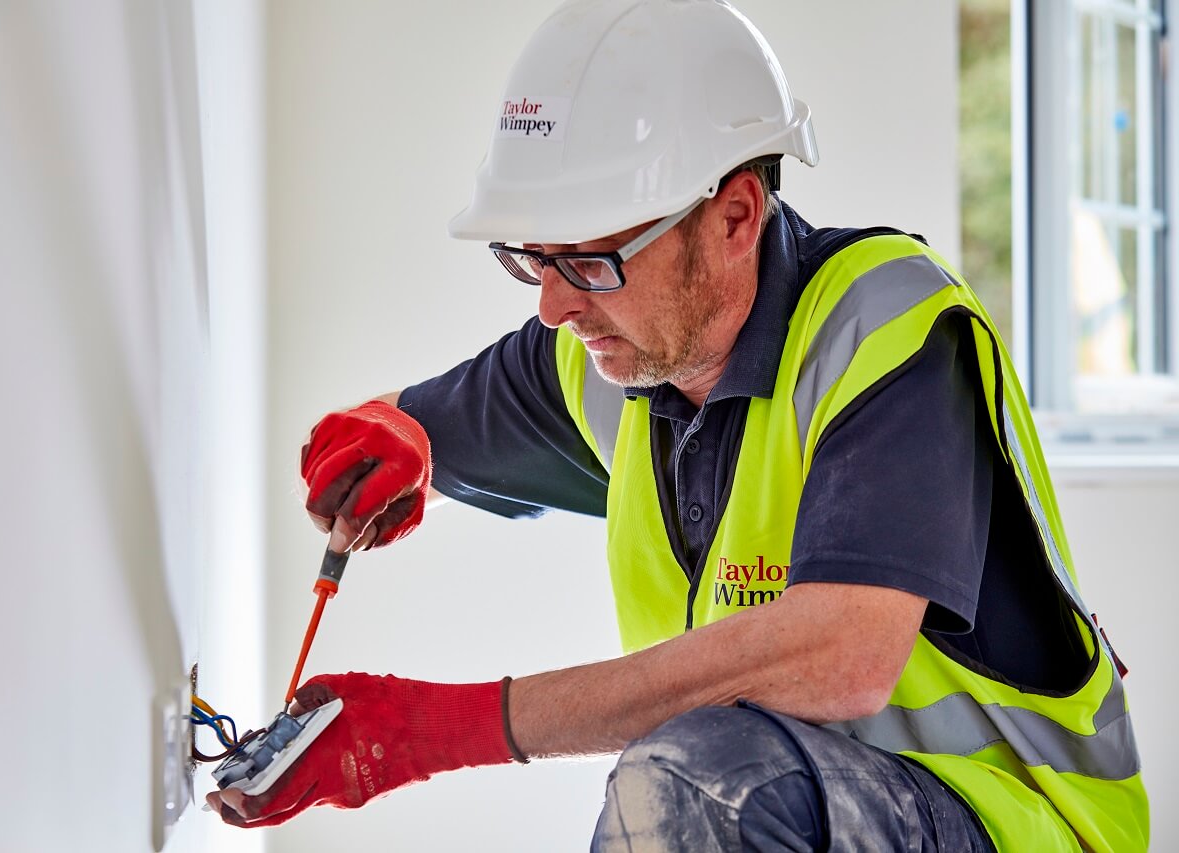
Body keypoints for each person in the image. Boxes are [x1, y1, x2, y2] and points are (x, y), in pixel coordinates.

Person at [207, 0, 1148, 848]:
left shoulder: (885, 327)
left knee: (698, 781)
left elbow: (841, 655)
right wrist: (391, 435)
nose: (553, 305)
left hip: (1011, 821)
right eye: (530, 257)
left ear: (735, 217)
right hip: (798, 816)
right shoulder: (604, 351)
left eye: (590, 261)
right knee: (699, 778)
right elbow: (421, 430)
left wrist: (438, 731)